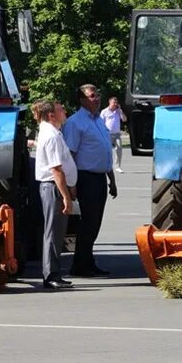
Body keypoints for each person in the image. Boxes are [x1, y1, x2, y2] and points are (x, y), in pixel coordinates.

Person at [63, 84, 117, 277]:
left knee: (95, 223)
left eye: (97, 95)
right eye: (92, 96)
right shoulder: (75, 122)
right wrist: (72, 185)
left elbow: (105, 152)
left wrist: (112, 179)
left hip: (100, 178)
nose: (97, 99)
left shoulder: (98, 120)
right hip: (85, 178)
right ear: (82, 100)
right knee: (87, 223)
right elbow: (69, 155)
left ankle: (88, 261)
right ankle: (80, 265)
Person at [33, 99, 77, 290]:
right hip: (53, 187)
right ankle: (50, 275)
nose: (65, 111)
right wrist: (66, 196)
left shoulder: (52, 132)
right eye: (61, 109)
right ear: (51, 115)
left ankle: (54, 273)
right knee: (53, 231)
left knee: (57, 232)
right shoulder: (51, 136)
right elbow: (56, 170)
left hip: (55, 187)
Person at [100, 96, 127, 173]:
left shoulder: (118, 111)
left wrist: (120, 111)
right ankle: (105, 165)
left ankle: (118, 166)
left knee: (119, 149)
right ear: (109, 103)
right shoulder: (104, 111)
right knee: (107, 150)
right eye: (113, 103)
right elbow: (101, 123)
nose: (115, 104)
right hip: (108, 134)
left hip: (117, 134)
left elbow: (124, 119)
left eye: (116, 103)